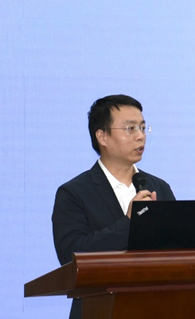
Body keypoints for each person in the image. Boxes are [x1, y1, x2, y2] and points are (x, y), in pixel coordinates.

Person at [51, 95, 174, 319]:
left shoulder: (159, 187)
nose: (140, 136)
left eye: (143, 127)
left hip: (156, 308)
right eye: (130, 128)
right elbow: (71, 256)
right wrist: (129, 223)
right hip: (97, 310)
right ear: (102, 137)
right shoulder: (73, 193)